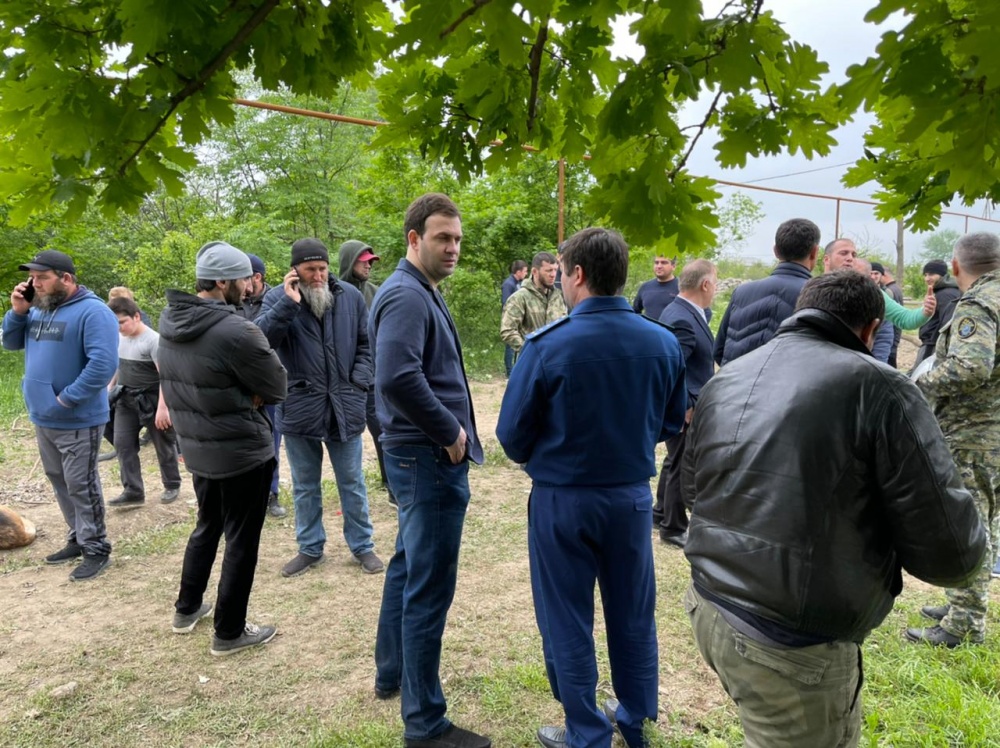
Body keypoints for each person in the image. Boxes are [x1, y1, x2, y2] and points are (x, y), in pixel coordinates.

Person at [683, 271, 986, 746]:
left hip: (708, 603)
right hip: (790, 640)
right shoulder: (881, 386)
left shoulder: (732, 374)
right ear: (871, 329)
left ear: (803, 309)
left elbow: (693, 489)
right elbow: (951, 554)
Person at [497, 227, 686, 748]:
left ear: (577, 274)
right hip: (630, 498)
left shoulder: (547, 345)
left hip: (563, 500)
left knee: (566, 617)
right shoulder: (662, 342)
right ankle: (634, 717)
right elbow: (672, 421)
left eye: (562, 270)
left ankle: (586, 731)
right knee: (633, 613)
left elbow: (512, 436)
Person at [370, 193, 489, 748]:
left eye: (458, 239)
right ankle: (424, 724)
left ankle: (392, 672)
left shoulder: (416, 290)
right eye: (443, 237)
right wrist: (451, 432)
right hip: (427, 456)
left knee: (407, 565)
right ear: (413, 239)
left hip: (417, 455)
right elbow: (397, 376)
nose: (453, 248)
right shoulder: (406, 294)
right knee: (429, 585)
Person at [158, 241, 287, 656]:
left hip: (199, 449)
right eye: (243, 280)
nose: (249, 287)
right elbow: (277, 386)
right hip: (241, 452)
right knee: (241, 541)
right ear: (220, 282)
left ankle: (186, 609)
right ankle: (229, 632)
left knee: (207, 525)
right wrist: (249, 395)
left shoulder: (171, 320)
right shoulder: (237, 331)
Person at [256, 238, 384, 577]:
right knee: (305, 484)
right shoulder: (277, 298)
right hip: (299, 405)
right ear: (295, 270)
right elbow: (259, 343)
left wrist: (358, 382)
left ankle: (362, 545)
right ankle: (310, 547)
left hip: (345, 404)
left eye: (322, 269)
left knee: (352, 481)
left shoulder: (350, 296)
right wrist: (287, 305)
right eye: (310, 269)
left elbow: (367, 344)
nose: (317, 276)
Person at [2, 249, 119, 582]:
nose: (34, 284)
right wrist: (17, 311)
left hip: (78, 417)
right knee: (60, 479)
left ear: (65, 278)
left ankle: (96, 547)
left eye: (42, 278)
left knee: (81, 483)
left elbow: (103, 365)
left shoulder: (94, 312)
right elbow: (10, 343)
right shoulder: (37, 309)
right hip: (44, 416)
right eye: (32, 278)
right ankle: (78, 536)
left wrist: (66, 399)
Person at [907, 232, 1000, 647]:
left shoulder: (978, 304)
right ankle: (963, 604)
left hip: (973, 434)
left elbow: (970, 368)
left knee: (970, 524)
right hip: (992, 431)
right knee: (986, 520)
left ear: (956, 266)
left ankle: (964, 625)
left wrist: (919, 384)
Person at [654, 259, 718, 548]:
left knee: (674, 460)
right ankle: (673, 527)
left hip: (686, 403)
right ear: (705, 284)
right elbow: (671, 367)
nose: (715, 289)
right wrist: (685, 405)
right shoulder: (682, 317)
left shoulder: (683, 310)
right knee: (682, 464)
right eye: (715, 283)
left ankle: (661, 513)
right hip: (686, 408)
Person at [106, 296, 182, 509]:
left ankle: (172, 484)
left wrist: (163, 409)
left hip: (153, 400)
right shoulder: (118, 338)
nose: (119, 327)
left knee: (163, 445)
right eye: (115, 323)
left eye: (122, 322)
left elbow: (166, 377)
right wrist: (110, 387)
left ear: (137, 317)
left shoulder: (154, 341)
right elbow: (118, 366)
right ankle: (133, 491)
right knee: (123, 444)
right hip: (126, 400)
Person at [713, 218, 819, 367]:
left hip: (735, 380)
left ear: (775, 251)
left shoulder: (741, 292)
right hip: (788, 381)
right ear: (814, 252)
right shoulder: (818, 296)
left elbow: (718, 351)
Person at [339, 239, 396, 506]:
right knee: (345, 439)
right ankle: (349, 493)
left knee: (383, 430)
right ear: (350, 262)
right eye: (363, 262)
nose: (369, 266)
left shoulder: (377, 292)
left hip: (373, 377)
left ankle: (391, 483)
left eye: (371, 262)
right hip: (342, 381)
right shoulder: (334, 292)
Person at [241, 253, 287, 519]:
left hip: (268, 387)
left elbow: (275, 348)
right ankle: (248, 494)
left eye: (244, 277)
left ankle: (271, 493)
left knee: (271, 442)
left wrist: (263, 387)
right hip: (240, 386)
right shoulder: (234, 301)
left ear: (256, 277)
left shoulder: (277, 301)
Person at [500, 251, 567, 361]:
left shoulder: (557, 297)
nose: (553, 274)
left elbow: (564, 326)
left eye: (555, 270)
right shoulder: (520, 297)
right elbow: (507, 330)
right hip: (531, 363)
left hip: (556, 360)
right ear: (535, 271)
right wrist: (529, 350)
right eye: (549, 270)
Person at [916, 258, 961, 365]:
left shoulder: (946, 294)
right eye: (925, 275)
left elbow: (947, 325)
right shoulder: (942, 291)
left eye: (931, 274)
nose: (927, 278)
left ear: (942, 275)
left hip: (934, 346)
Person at [870, 261, 904, 367]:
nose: (873, 276)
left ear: (882, 275)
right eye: (871, 273)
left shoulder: (889, 293)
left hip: (885, 341)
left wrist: (894, 344)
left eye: (876, 273)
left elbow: (896, 320)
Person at [501, 260, 528, 376]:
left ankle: (517, 369)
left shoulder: (519, 283)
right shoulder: (508, 284)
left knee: (520, 343)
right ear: (518, 272)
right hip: (511, 319)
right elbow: (506, 303)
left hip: (520, 319)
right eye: (525, 271)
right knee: (510, 345)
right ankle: (509, 372)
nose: (526, 274)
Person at [631, 256, 678, 320]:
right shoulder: (645, 287)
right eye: (656, 263)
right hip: (648, 326)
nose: (659, 266)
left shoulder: (682, 288)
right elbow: (635, 312)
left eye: (664, 263)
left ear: (673, 266)